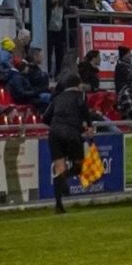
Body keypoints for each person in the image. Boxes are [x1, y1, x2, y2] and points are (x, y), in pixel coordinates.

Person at [42, 73, 96, 214]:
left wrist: (56, 125)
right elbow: (86, 116)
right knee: (79, 165)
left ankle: (59, 205)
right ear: (79, 85)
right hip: (71, 133)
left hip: (54, 134)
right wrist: (88, 127)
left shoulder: (57, 98)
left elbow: (45, 118)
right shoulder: (80, 97)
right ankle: (63, 178)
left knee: (59, 167)